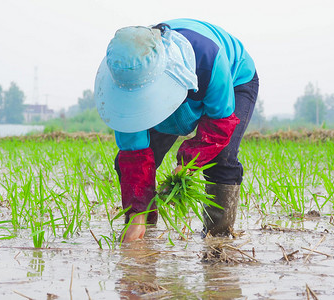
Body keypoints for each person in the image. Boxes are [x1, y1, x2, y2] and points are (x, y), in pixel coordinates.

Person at [94, 18, 259, 242]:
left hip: (234, 78)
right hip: (175, 87)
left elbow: (220, 123)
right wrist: (136, 214)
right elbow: (134, 153)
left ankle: (218, 240)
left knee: (222, 158)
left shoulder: (208, 59)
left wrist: (188, 164)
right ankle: (145, 234)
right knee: (130, 167)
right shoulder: (125, 76)